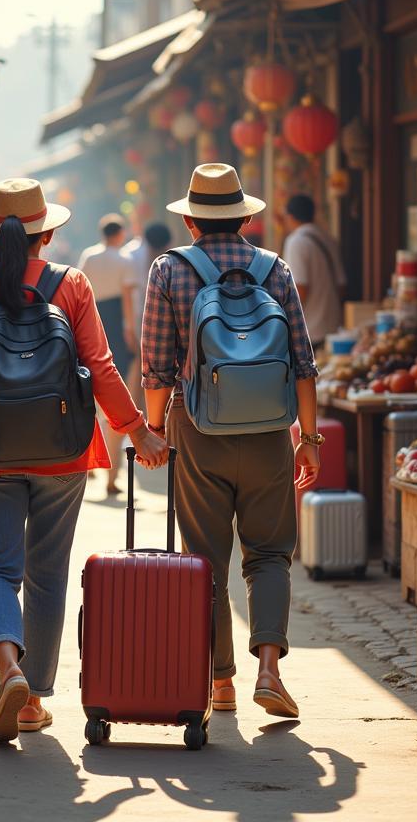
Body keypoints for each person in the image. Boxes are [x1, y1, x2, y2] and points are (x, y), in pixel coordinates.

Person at [0, 178, 169, 744]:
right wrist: (138, 431)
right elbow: (101, 367)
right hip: (64, 450)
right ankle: (33, 698)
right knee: (47, 574)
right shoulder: (73, 284)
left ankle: (9, 668)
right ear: (49, 231)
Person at [141, 163, 321, 720]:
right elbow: (303, 364)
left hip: (197, 430)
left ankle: (221, 683)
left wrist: (154, 431)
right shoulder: (276, 269)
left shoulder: (169, 270)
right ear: (244, 217)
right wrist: (307, 438)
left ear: (191, 220)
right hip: (269, 431)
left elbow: (156, 367)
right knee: (269, 553)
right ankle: (269, 669)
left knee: (205, 559)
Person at [77, 214, 138, 495]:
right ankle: (112, 476)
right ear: (120, 234)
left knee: (86, 391)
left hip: (90, 318)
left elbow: (80, 291)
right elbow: (127, 297)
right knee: (116, 390)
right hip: (114, 321)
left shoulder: (89, 255)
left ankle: (87, 463)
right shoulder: (124, 259)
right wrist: (128, 329)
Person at [281, 193, 347, 347]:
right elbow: (342, 286)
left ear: (290, 216)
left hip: (311, 331)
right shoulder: (328, 239)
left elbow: (300, 289)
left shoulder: (296, 242)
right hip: (334, 327)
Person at [123, 221, 173, 410]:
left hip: (146, 318)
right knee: (140, 367)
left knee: (146, 367)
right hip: (139, 318)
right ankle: (138, 410)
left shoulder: (133, 255)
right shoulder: (132, 256)